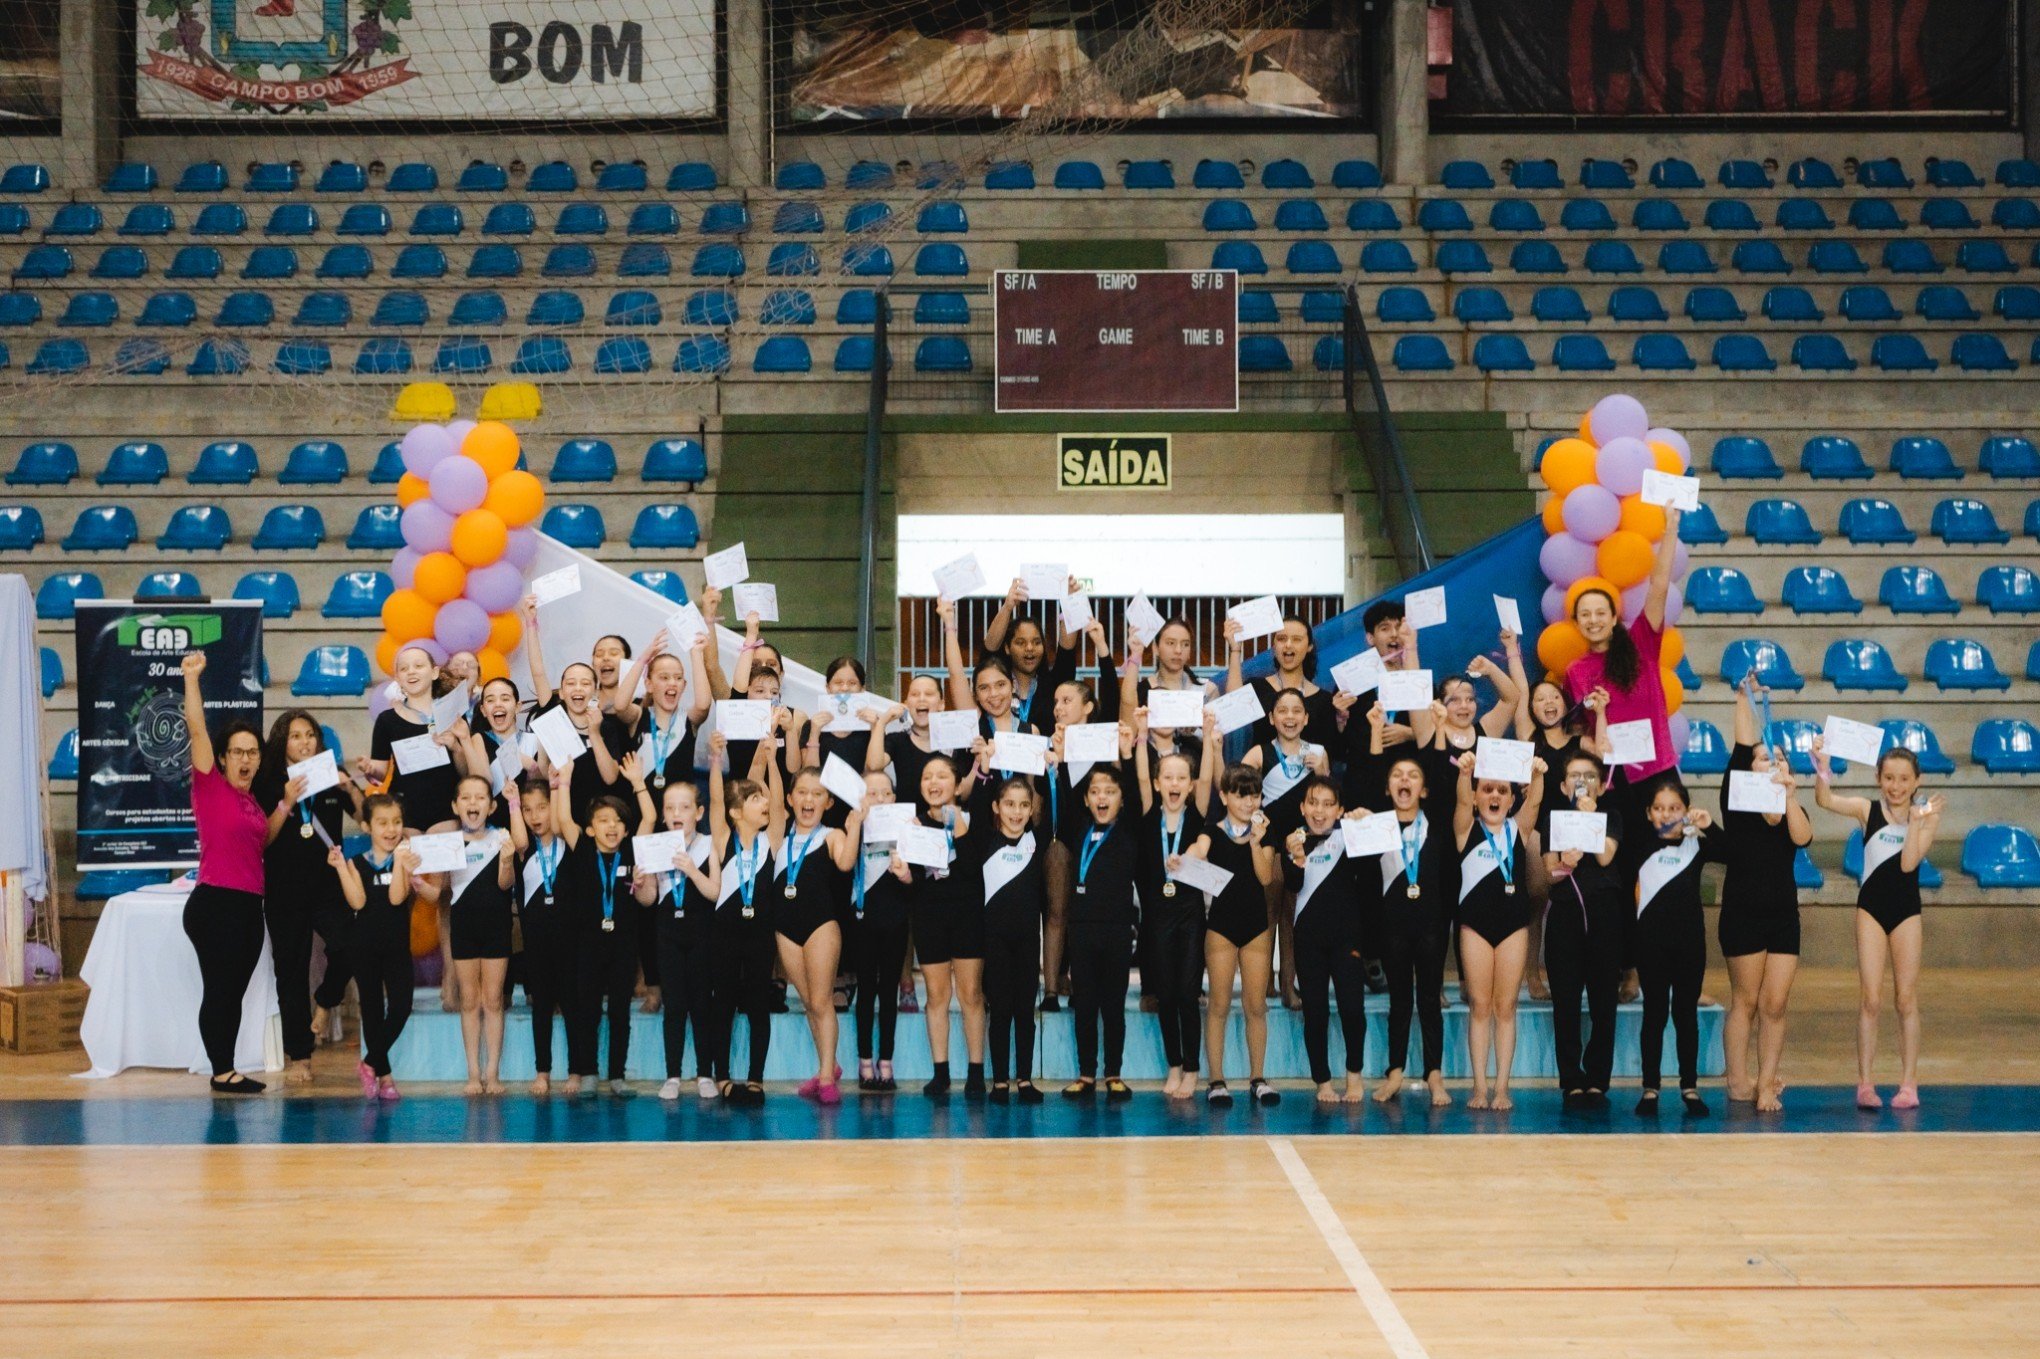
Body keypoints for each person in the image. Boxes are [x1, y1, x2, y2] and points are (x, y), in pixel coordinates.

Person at [1813, 741, 1941, 1111]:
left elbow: (1908, 864)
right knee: (1870, 999)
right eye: (1888, 778)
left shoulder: (1928, 816)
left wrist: (1916, 822)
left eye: (1903, 779)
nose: (1896, 786)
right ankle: (1865, 1084)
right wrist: (1823, 766)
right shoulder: (1866, 810)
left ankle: (1908, 1083)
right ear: (1878, 778)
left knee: (1905, 999)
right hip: (1870, 909)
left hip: (1906, 912)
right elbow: (1825, 800)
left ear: (1917, 781)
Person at [252, 709, 362, 1084]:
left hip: (328, 886)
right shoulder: (266, 781)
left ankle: (327, 1002)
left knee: (350, 946)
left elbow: (366, 818)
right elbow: (262, 839)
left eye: (310, 735)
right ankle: (300, 1055)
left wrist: (351, 789)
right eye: (296, 735)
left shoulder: (329, 776)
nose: (304, 742)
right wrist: (284, 801)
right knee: (291, 974)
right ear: (282, 741)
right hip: (283, 889)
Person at [1717, 676, 1812, 1111]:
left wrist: (1790, 795)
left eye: (1775, 759)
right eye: (1760, 759)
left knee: (1776, 1004)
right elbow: (1741, 746)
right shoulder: (1737, 802)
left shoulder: (1793, 804)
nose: (1766, 763)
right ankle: (1738, 1081)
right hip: (1742, 912)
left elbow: (1804, 837)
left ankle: (1767, 1082)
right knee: (1747, 1001)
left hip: (1782, 916)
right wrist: (1743, 698)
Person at [178, 652, 270, 1095]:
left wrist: (287, 805)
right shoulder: (210, 785)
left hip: (250, 906)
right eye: (237, 752)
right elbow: (196, 727)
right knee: (219, 990)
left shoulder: (252, 803)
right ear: (223, 757)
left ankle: (226, 1068)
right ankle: (221, 1071)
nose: (246, 759)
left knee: (231, 992)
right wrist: (192, 679)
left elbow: (260, 843)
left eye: (252, 752)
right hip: (216, 903)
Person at [553, 757, 657, 1097]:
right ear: (591, 828)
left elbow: (651, 817)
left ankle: (617, 1075)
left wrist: (639, 782)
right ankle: (587, 1073)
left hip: (624, 944)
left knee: (619, 1011)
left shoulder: (632, 850)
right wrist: (565, 781)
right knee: (587, 1010)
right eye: (603, 820)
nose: (612, 827)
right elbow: (563, 819)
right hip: (586, 943)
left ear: (626, 829)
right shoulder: (581, 847)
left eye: (618, 821)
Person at [1452, 748, 1547, 1110]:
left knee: (1506, 1007)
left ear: (1511, 798)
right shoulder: (1465, 829)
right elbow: (1461, 800)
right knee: (1480, 1005)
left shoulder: (1518, 830)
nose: (1494, 796)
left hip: (1512, 927)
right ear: (1476, 797)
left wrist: (1536, 774)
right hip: (1475, 926)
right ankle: (1479, 1087)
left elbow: (1535, 803)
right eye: (1487, 789)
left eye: (1502, 791)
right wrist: (1466, 773)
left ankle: (1502, 1087)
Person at [1133, 710, 1219, 1100]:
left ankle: (1193, 1069)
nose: (1174, 783)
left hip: (1188, 915)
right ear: (1156, 782)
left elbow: (1207, 783)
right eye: (1167, 777)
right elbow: (1138, 773)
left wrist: (1209, 735)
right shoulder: (1150, 813)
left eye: (1181, 778)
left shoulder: (1197, 814)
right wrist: (1139, 734)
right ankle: (1173, 1063)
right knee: (1165, 993)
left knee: (1187, 992)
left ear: (1190, 784)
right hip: (1156, 914)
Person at [1182, 763, 1280, 1107]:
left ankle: (1258, 1078)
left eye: (1254, 796)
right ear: (1224, 796)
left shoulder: (1266, 833)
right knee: (1219, 1006)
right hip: (1221, 927)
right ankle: (1217, 1081)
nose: (1248, 803)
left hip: (1255, 928)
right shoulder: (1212, 829)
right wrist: (1183, 860)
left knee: (1256, 1006)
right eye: (1240, 796)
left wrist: (1255, 841)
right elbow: (1199, 849)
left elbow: (1265, 877)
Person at [1364, 736, 1452, 1107]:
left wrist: (1439, 727)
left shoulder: (1439, 826)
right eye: (1397, 775)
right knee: (1400, 1001)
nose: (1404, 780)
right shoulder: (1376, 827)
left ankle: (1434, 1075)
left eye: (1413, 775)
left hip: (1431, 925)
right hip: (1393, 927)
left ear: (1424, 788)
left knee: (1429, 1000)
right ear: (1388, 788)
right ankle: (1395, 1072)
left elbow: (1440, 769)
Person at [1630, 775, 1723, 1118]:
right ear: (1649, 812)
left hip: (1689, 944)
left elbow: (1730, 852)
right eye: (1659, 808)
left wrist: (1708, 826)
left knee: (1685, 1015)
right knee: (1653, 1013)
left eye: (1674, 808)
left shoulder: (1695, 844)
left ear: (1686, 810)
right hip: (1650, 944)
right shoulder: (1640, 844)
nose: (1666, 814)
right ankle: (1650, 1087)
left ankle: (1690, 1086)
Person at [774, 766, 862, 1105]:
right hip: (786, 929)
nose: (808, 799)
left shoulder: (831, 835)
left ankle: (826, 1077)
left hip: (821, 927)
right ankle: (830, 1065)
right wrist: (770, 757)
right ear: (790, 799)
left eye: (817, 794)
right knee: (809, 1001)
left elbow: (845, 863)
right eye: (802, 793)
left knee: (823, 1001)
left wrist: (853, 828)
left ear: (827, 802)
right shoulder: (777, 834)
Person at [1539, 751, 1623, 1105]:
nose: (1582, 782)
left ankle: (1598, 1078)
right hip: (1566, 915)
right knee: (1567, 1001)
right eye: (1574, 776)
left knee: (1604, 1000)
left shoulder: (1612, 816)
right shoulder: (1553, 820)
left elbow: (1605, 856)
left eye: (1590, 776)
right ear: (1562, 785)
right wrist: (1564, 862)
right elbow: (1549, 873)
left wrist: (1591, 820)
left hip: (1605, 913)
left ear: (1601, 785)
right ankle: (1571, 1077)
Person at [426, 775, 517, 1094]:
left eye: (480, 797)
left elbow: (506, 884)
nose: (473, 803)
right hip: (463, 929)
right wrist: (417, 882)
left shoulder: (502, 837)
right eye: (466, 798)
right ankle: (473, 1074)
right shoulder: (448, 843)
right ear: (455, 805)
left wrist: (506, 861)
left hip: (496, 929)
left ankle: (492, 1074)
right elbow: (437, 892)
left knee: (493, 1000)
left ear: (492, 806)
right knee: (469, 1001)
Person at [330, 794, 424, 1102]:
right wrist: (342, 870)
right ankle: (384, 1077)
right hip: (363, 946)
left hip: (396, 947)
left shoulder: (404, 861)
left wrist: (400, 864)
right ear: (366, 826)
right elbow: (357, 901)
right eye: (382, 823)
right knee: (370, 1010)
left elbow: (397, 898)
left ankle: (369, 1063)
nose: (391, 829)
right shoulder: (356, 863)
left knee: (400, 1007)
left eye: (397, 822)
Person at [1282, 776, 1369, 1103]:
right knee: (1315, 1012)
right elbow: (1292, 885)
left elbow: (1371, 866)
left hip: (1347, 937)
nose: (1320, 811)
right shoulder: (1293, 841)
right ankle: (1322, 1081)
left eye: (1328, 804)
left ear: (1340, 809)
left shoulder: (1349, 838)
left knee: (1352, 1008)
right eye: (1313, 803)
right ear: (1303, 807)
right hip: (1309, 940)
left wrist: (1364, 825)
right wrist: (1296, 858)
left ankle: (1354, 1075)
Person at [1060, 752, 1140, 1099]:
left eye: (1110, 791)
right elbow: (1063, 795)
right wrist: (1063, 757)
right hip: (1081, 929)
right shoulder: (1078, 828)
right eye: (1095, 791)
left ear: (1122, 799)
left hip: (1118, 930)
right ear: (1086, 798)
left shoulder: (1130, 831)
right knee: (1085, 1004)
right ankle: (1086, 1073)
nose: (1102, 797)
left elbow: (1138, 793)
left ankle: (1114, 1072)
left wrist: (1127, 752)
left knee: (1113, 1006)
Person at [907, 753, 986, 1097]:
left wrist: (963, 832)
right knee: (937, 995)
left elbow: (974, 872)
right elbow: (912, 881)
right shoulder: (913, 824)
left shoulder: (974, 819)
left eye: (942, 776)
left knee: (970, 994)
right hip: (930, 917)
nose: (934, 783)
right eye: (928, 777)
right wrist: (903, 872)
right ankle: (940, 1073)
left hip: (968, 916)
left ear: (957, 785)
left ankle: (976, 1072)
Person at [709, 730, 781, 1105]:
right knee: (722, 1004)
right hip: (723, 936)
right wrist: (717, 761)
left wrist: (770, 762)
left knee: (757, 1004)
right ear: (738, 812)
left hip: (760, 938)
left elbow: (780, 806)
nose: (764, 804)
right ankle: (722, 1076)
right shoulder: (722, 838)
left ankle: (755, 1078)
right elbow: (716, 800)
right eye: (756, 799)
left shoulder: (771, 840)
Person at [968, 772, 1048, 1102]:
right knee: (999, 1010)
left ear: (1032, 811)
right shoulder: (985, 841)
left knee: (1024, 1011)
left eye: (1024, 806)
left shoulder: (1037, 842)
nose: (1016, 812)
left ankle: (1024, 1080)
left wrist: (1049, 771)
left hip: (1028, 941)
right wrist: (983, 769)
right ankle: (1000, 1080)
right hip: (994, 941)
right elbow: (973, 804)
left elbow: (1055, 804)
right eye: (1010, 804)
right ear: (996, 807)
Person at [641, 777, 721, 1101]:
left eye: (685, 807)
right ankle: (672, 1074)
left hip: (702, 933)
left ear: (698, 812)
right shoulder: (656, 845)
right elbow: (648, 899)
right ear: (663, 814)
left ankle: (705, 1073)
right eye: (670, 807)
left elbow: (714, 892)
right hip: (667, 934)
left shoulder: (709, 845)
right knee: (674, 1006)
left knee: (702, 1005)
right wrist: (641, 880)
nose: (677, 812)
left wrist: (691, 869)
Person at [850, 769, 913, 1093]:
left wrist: (906, 871)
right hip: (862, 919)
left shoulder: (906, 829)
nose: (879, 799)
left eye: (885, 793)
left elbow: (920, 878)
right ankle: (864, 1061)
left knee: (888, 991)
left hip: (895, 919)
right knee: (866, 989)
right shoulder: (853, 826)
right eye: (871, 793)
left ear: (894, 798)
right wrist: (855, 823)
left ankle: (885, 1061)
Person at [508, 773, 572, 1094]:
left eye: (542, 808)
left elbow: (562, 823)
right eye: (528, 810)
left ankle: (577, 1071)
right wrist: (512, 802)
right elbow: (519, 838)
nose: (536, 817)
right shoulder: (523, 849)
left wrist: (560, 787)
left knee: (573, 1006)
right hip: (537, 942)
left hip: (568, 940)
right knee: (542, 1007)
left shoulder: (566, 843)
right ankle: (542, 1071)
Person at [1226, 613, 1338, 749]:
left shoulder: (1325, 700)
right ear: (1274, 646)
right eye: (1281, 639)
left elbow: (1332, 752)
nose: (1288, 645)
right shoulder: (1257, 687)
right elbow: (1232, 709)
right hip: (1262, 769)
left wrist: (1341, 721)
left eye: (1297, 639)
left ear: (1309, 646)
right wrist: (1235, 649)